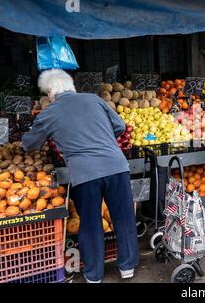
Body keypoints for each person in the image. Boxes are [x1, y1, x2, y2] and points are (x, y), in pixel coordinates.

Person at [22, 69, 139, 283]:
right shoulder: (94, 100)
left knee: (91, 223)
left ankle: (94, 275)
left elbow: (30, 144)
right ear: (71, 85)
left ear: (50, 91)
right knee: (123, 218)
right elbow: (120, 126)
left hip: (86, 174)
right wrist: (99, 138)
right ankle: (127, 267)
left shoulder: (49, 112)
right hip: (117, 166)